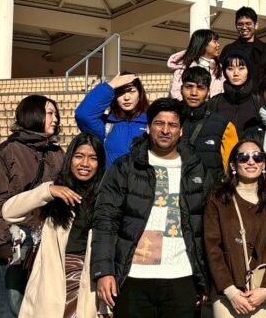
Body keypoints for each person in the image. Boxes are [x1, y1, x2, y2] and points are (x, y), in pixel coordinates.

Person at [92, 98, 214, 318]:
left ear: (181, 131)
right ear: (148, 127)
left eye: (172, 125)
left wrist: (204, 277)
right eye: (159, 123)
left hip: (182, 276)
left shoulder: (196, 170)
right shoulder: (125, 167)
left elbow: (208, 227)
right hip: (134, 277)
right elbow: (105, 220)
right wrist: (104, 271)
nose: (165, 130)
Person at [2, 133, 107, 318]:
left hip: (87, 281)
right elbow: (9, 212)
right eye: (79, 156)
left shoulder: (106, 197)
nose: (85, 163)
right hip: (51, 281)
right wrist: (48, 191)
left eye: (92, 158)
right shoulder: (54, 193)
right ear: (69, 158)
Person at [204, 140, 266, 318]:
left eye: (257, 157)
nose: (251, 161)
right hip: (227, 293)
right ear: (233, 165)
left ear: (263, 164)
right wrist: (230, 291)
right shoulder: (218, 200)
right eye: (243, 157)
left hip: (261, 291)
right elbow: (212, 248)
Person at [0, 95, 65, 318]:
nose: (55, 119)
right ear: (32, 114)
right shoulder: (8, 151)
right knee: (11, 304)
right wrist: (2, 242)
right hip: (16, 238)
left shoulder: (56, 152)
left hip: (47, 235)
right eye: (49, 113)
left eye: (55, 113)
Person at [75, 73, 149, 167]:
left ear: (140, 94)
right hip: (112, 176)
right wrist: (110, 86)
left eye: (132, 91)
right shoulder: (106, 124)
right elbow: (83, 115)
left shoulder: (151, 123)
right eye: (120, 92)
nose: (126, 97)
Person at [180, 66, 238, 179]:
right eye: (189, 87)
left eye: (200, 88)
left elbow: (231, 170)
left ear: (208, 92)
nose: (194, 93)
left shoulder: (223, 125)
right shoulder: (169, 121)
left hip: (211, 188)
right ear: (181, 89)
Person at [207, 51, 261, 137]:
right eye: (230, 69)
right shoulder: (214, 102)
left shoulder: (259, 102)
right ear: (224, 72)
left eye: (241, 68)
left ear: (248, 71)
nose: (236, 73)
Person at [221, 7, 266, 87]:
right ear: (236, 26)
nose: (244, 27)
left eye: (248, 24)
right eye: (240, 24)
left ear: (256, 25)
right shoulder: (228, 49)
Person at [168, 29, 225, 99]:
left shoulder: (219, 68)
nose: (218, 45)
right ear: (203, 44)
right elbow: (176, 93)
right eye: (215, 41)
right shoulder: (183, 67)